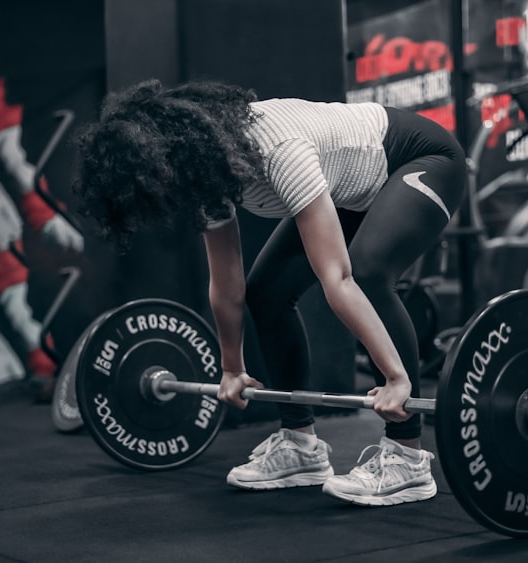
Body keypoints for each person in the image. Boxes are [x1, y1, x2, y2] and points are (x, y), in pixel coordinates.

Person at [72, 79, 466, 506]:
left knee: (368, 274)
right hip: (356, 190)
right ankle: (301, 446)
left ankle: (407, 455)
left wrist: (397, 378)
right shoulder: (207, 178)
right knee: (267, 292)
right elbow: (227, 284)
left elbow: (338, 278)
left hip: (423, 160)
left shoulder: (279, 150)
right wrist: (231, 368)